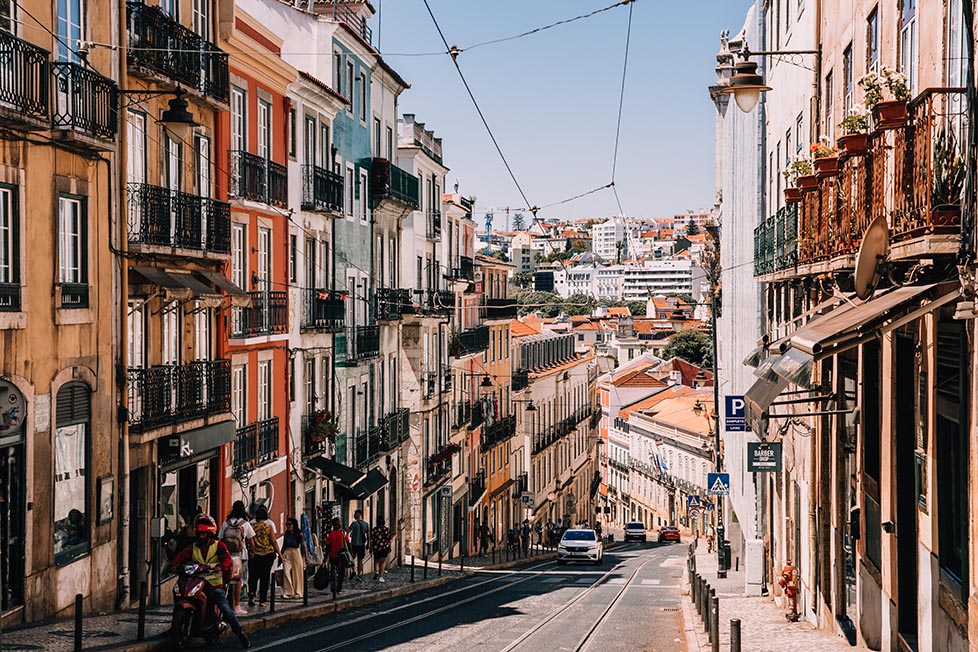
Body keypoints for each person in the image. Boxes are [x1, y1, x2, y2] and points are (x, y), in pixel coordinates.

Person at [172, 514, 250, 649]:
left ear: (209, 535)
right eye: (199, 534)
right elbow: (181, 556)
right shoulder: (193, 547)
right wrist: (174, 565)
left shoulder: (219, 546)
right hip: (196, 581)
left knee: (225, 607)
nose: (200, 536)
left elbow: (226, 560)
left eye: (203, 534)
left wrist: (220, 567)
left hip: (214, 584)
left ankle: (241, 634)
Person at [219, 501, 255, 615]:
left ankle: (224, 603)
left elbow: (219, 539)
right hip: (241, 556)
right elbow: (251, 541)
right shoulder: (245, 524)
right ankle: (237, 606)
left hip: (227, 555)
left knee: (226, 579)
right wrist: (252, 552)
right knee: (238, 580)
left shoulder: (226, 523)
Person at [248, 506, 281, 607]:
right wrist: (279, 553)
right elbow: (273, 541)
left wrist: (252, 551)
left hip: (254, 555)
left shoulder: (251, 526)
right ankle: (262, 600)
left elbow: (250, 541)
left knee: (253, 576)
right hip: (267, 554)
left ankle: (252, 593)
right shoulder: (268, 527)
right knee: (264, 577)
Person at [281, 518, 307, 599]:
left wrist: (306, 556)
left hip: (296, 552)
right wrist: (280, 555)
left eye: (289, 524)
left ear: (294, 525)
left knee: (297, 572)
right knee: (286, 572)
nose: (287, 526)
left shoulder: (299, 534)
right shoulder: (286, 534)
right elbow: (284, 545)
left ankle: (298, 592)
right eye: (287, 524)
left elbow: (303, 545)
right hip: (287, 552)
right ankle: (288, 592)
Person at [325, 517, 350, 595]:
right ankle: (339, 587)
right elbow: (348, 543)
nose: (340, 523)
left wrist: (326, 556)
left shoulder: (330, 534)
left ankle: (333, 585)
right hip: (342, 555)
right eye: (339, 522)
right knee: (341, 571)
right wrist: (351, 553)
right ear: (337, 524)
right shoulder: (343, 533)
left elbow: (328, 546)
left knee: (333, 570)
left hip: (333, 555)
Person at [347, 510, 370, 581]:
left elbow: (347, 532)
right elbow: (368, 535)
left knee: (352, 558)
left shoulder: (353, 524)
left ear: (359, 515)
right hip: (361, 544)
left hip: (354, 544)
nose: (354, 515)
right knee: (360, 560)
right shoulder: (366, 524)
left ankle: (353, 570)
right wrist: (368, 543)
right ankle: (359, 574)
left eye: (355, 514)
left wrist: (347, 541)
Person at [370, 516, 393, 582]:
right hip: (384, 547)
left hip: (376, 547)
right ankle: (381, 576)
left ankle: (376, 571)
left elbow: (372, 540)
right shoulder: (386, 529)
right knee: (382, 562)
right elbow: (389, 539)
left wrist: (371, 548)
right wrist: (389, 547)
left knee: (376, 560)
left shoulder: (374, 530)